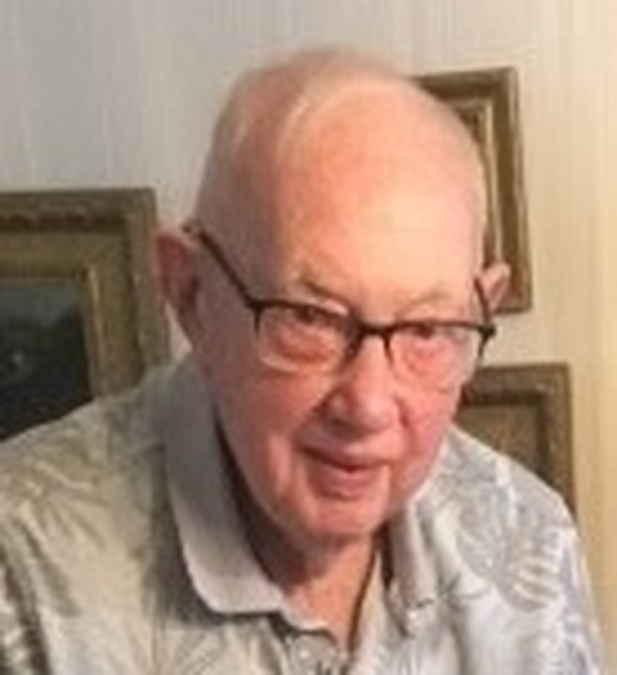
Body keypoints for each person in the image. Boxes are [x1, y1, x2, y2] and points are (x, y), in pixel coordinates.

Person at [0, 48, 604, 674]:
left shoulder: (529, 536)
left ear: (483, 307)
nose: (369, 406)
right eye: (310, 318)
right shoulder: (20, 574)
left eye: (427, 328)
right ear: (192, 293)